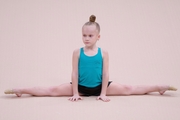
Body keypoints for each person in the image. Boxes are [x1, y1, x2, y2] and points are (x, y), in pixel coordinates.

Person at [4, 15, 177, 102]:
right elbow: (73, 73)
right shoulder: (77, 52)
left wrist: (102, 93)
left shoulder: (104, 52)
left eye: (90, 36)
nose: (86, 38)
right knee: (51, 91)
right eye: (84, 35)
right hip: (80, 87)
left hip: (100, 87)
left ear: (98, 37)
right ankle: (22, 90)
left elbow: (106, 73)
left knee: (129, 88)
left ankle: (159, 87)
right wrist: (75, 93)